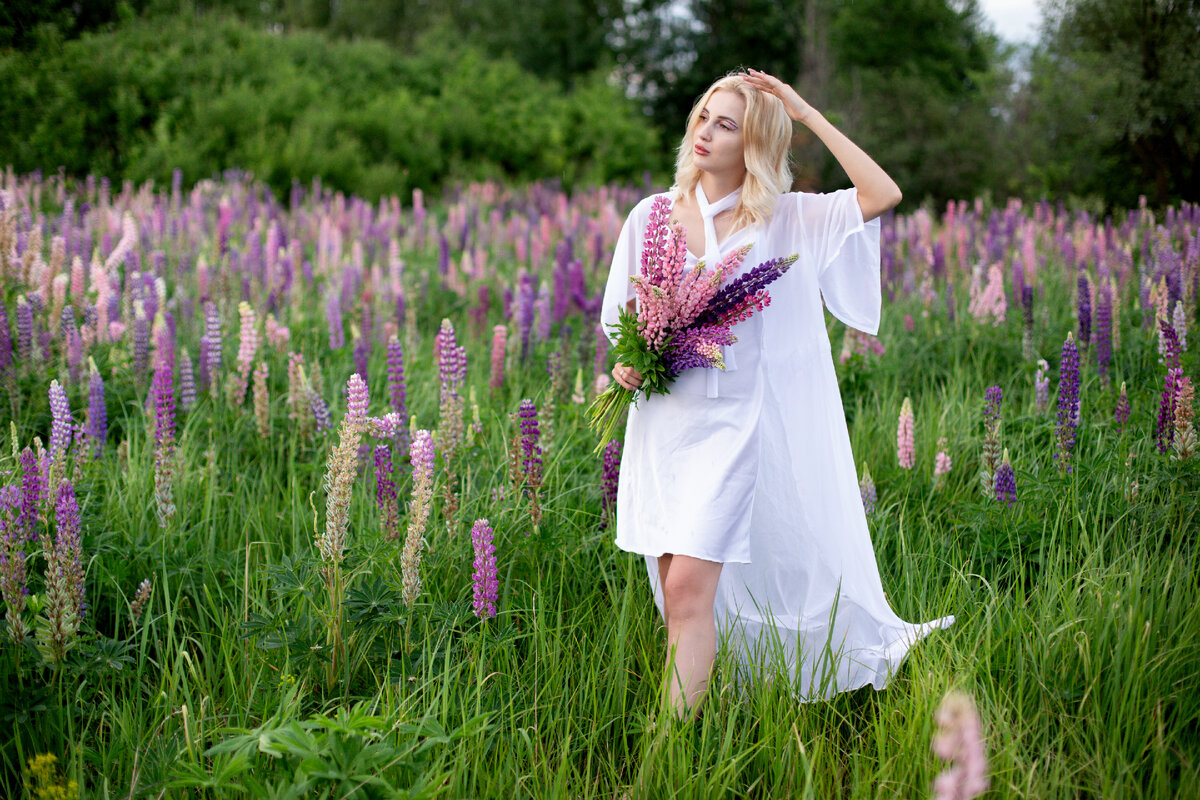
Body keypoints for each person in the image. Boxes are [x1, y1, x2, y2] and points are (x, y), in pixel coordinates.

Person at [599, 70, 955, 719]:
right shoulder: (651, 216)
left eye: (727, 123)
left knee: (685, 591)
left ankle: (664, 760)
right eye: (704, 115)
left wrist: (807, 112)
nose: (705, 131)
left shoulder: (788, 221)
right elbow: (630, 319)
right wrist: (629, 366)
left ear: (756, 141)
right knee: (676, 595)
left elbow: (883, 192)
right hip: (664, 428)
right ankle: (709, 719)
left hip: (736, 430)